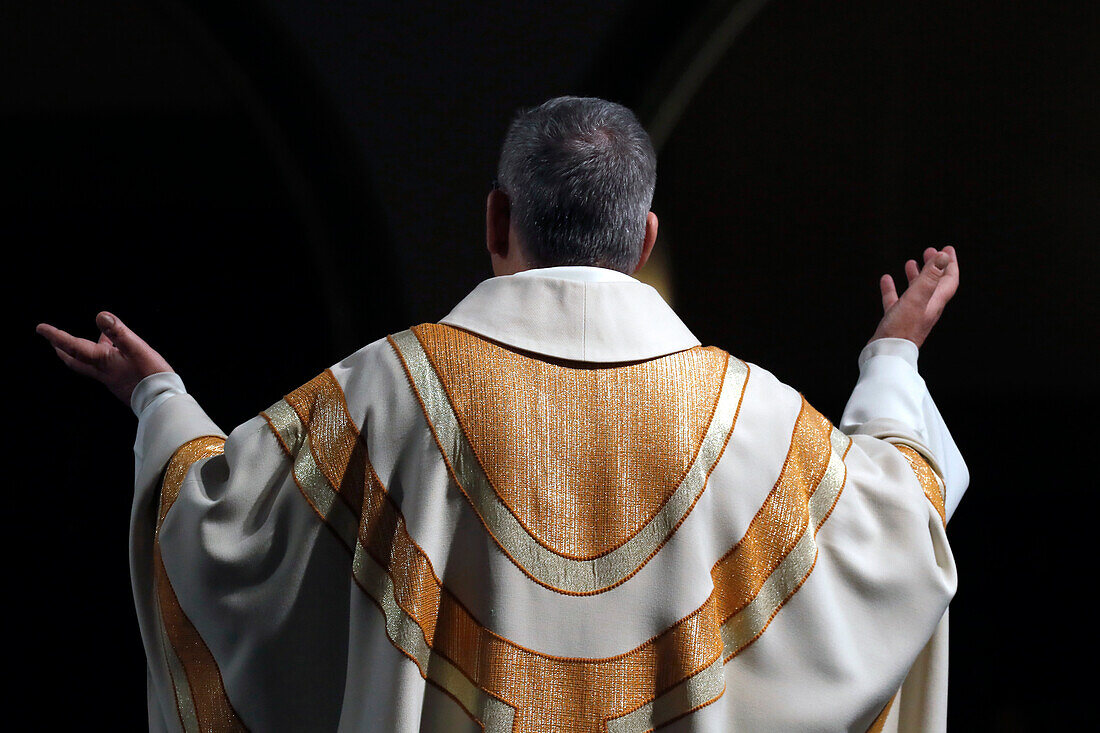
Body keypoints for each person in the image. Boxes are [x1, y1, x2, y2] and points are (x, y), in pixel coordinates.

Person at [37, 96, 965, 732]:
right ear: (643, 241)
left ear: (494, 220)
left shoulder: (383, 393)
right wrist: (892, 357)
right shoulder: (758, 420)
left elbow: (214, 534)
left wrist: (158, 401)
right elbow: (901, 524)